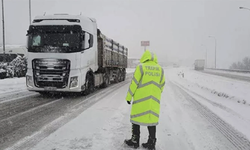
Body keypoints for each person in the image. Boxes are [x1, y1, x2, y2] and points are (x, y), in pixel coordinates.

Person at [124, 50, 165, 150]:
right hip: (153, 101)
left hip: (140, 100)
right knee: (151, 121)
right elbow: (162, 85)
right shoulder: (160, 69)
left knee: (136, 119)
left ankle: (135, 140)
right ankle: (151, 142)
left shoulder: (141, 67)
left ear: (144, 57)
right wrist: (155, 94)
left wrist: (129, 97)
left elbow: (134, 83)